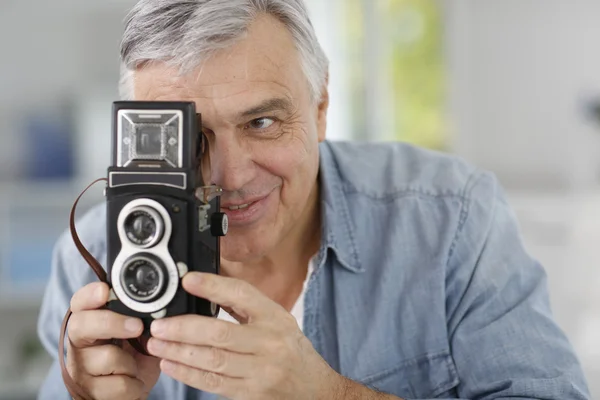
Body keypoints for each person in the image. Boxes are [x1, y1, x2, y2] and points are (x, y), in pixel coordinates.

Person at [36, 0, 590, 399]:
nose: (229, 175)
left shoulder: (451, 219)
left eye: (262, 122)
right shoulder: (90, 257)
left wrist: (328, 395)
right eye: (190, 140)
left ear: (322, 107)